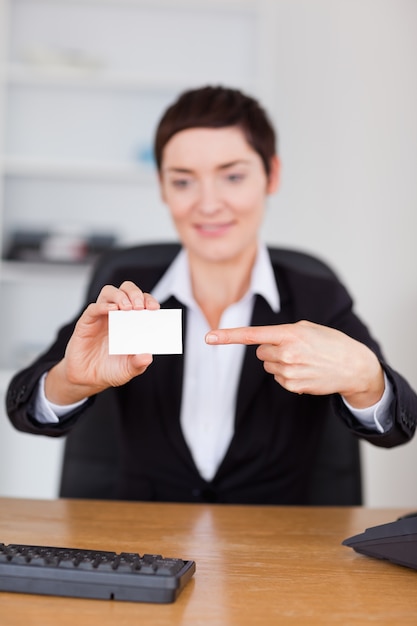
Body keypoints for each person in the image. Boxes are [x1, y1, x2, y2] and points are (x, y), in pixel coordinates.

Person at [6, 85, 417, 504]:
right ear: (163, 188)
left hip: (273, 551)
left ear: (271, 176)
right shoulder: (128, 290)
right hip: (145, 546)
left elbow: (398, 427)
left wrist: (367, 379)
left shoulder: (315, 294)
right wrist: (70, 381)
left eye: (233, 176)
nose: (207, 204)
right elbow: (26, 409)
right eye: (183, 181)